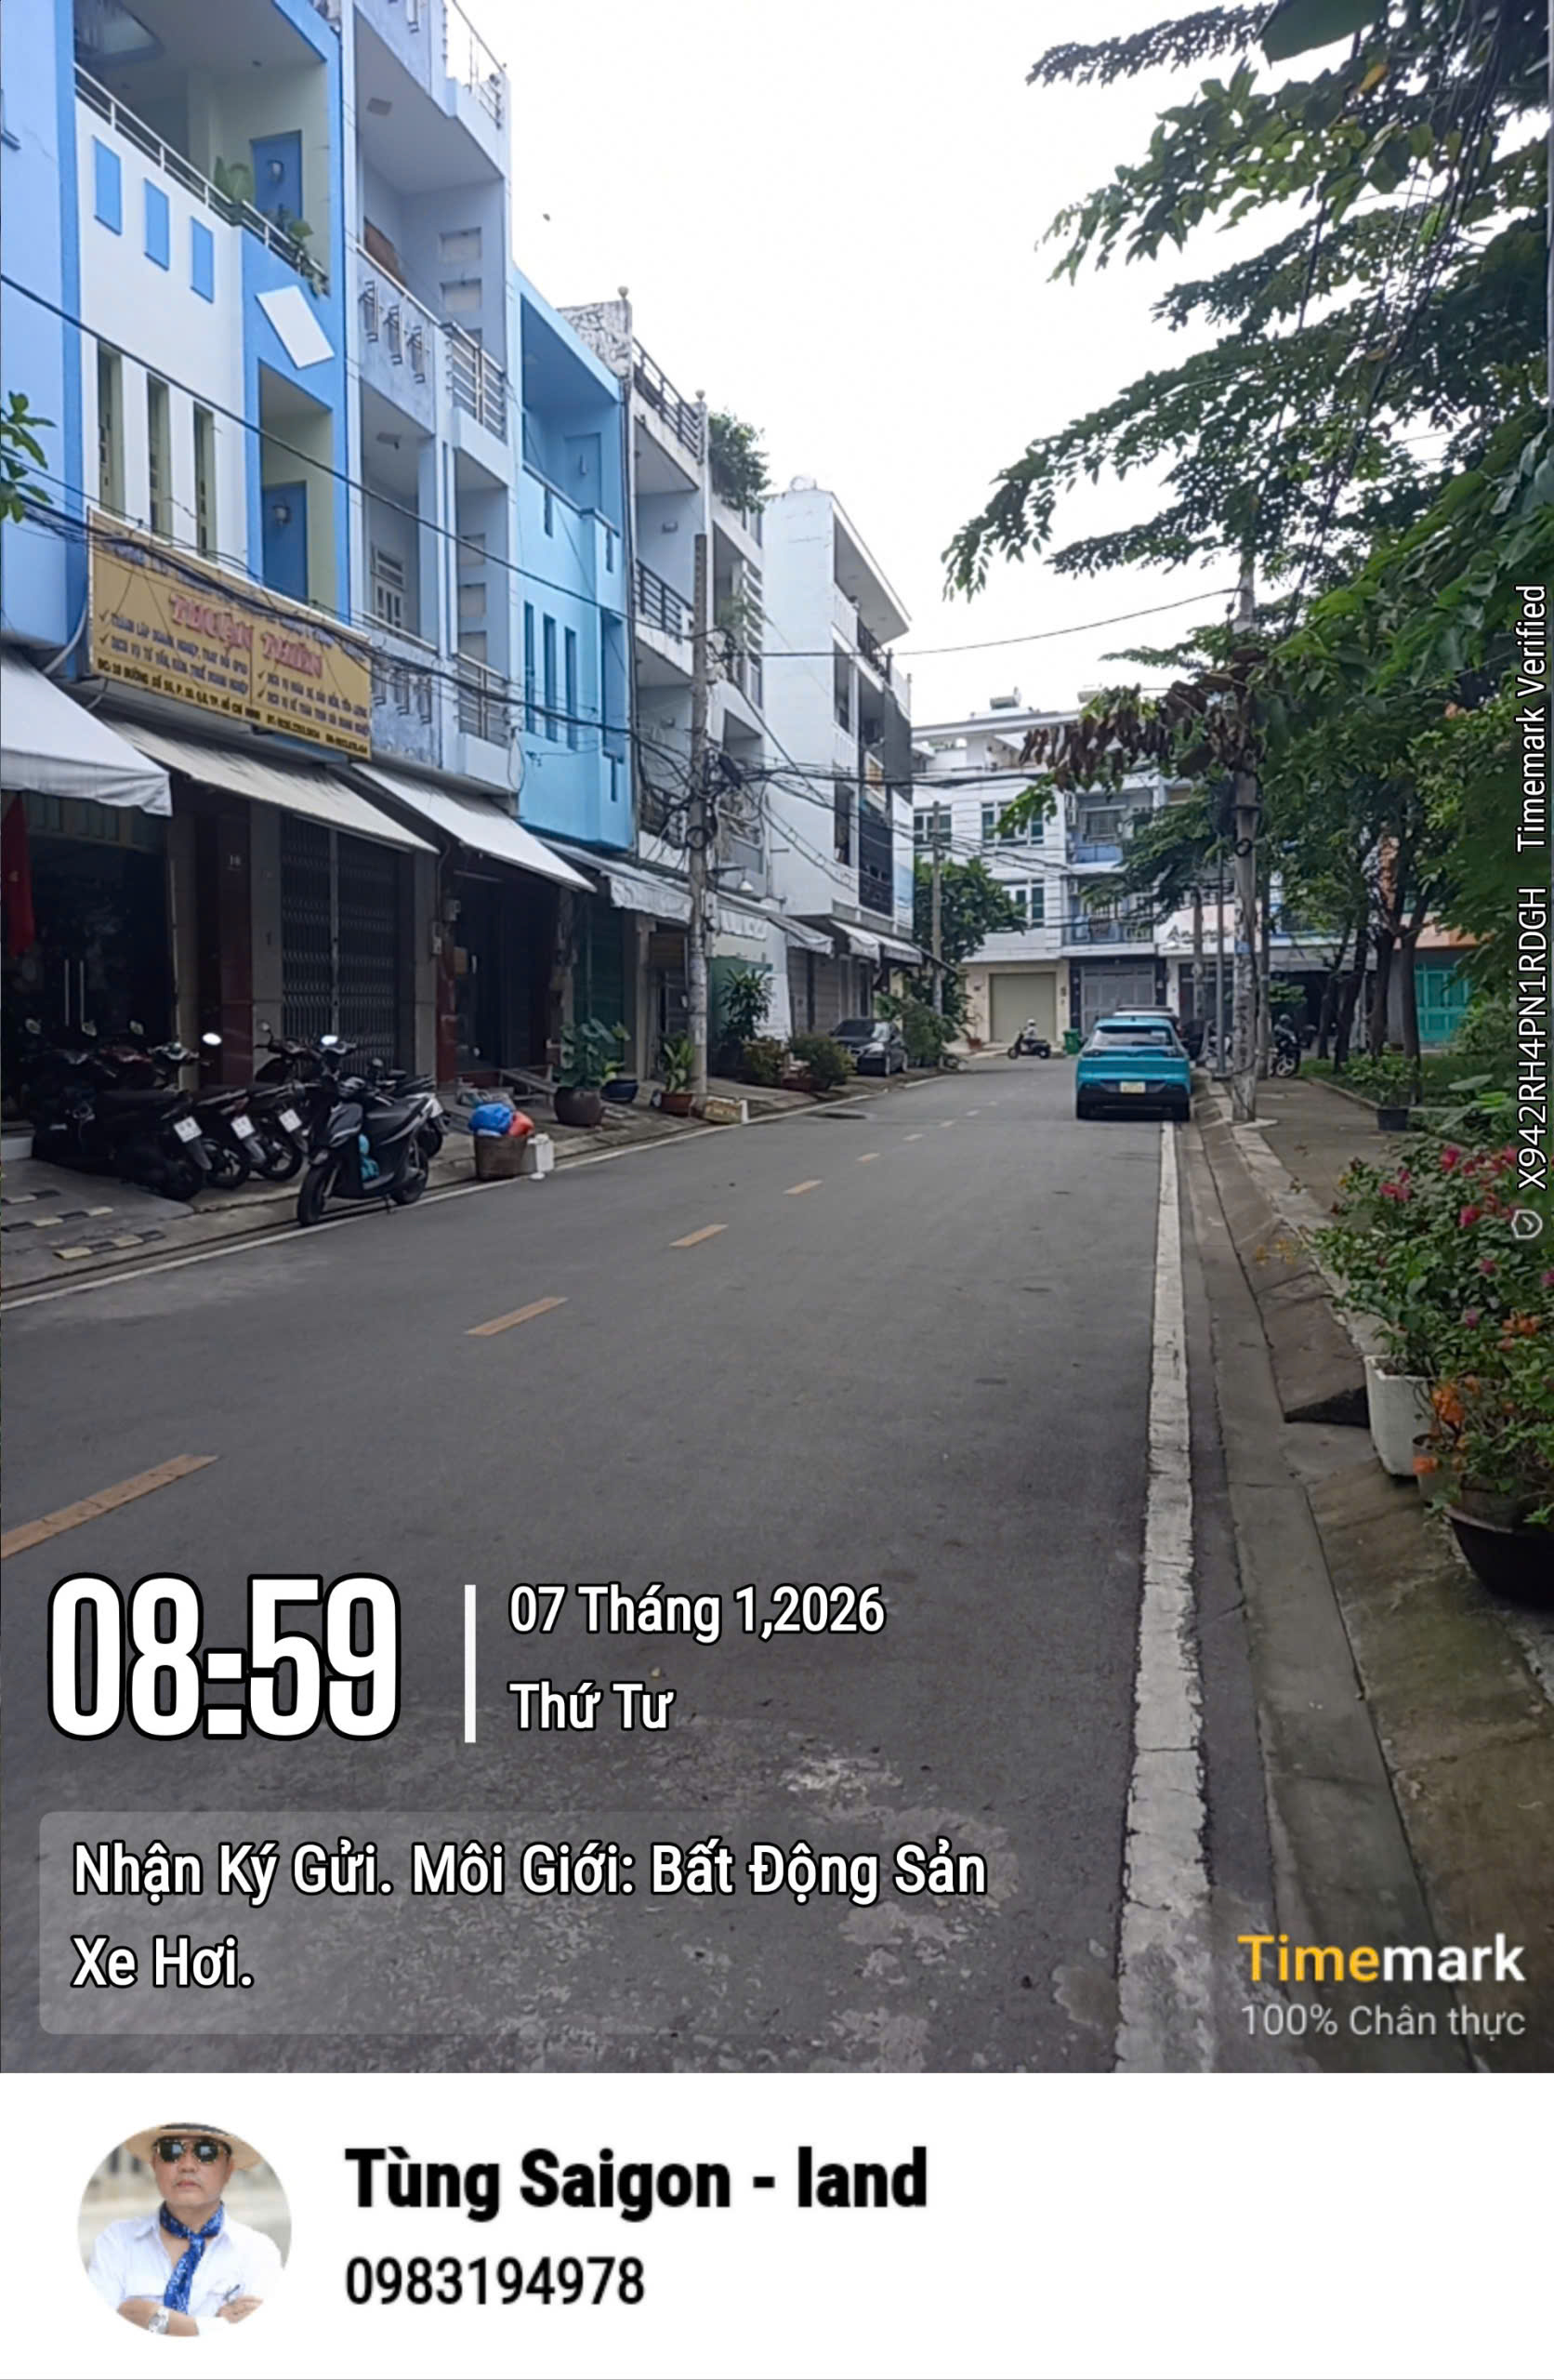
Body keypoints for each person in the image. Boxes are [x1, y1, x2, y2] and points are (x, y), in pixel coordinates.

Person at [86, 2125, 282, 2335]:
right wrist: (218, 2326)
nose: (187, 2166)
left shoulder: (258, 2252)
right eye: (171, 2151)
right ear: (154, 2164)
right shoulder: (116, 2242)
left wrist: (157, 2318)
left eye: (206, 2151)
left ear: (229, 2169)